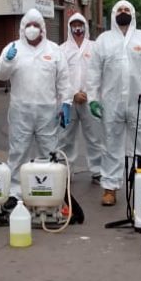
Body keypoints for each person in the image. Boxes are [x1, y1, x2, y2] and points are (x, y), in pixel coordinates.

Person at [86, 0, 141, 206]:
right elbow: (93, 73)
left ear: (133, 14)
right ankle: (110, 188)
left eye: (127, 10)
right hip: (111, 103)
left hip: (139, 102)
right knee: (111, 145)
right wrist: (93, 99)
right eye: (119, 10)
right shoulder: (103, 40)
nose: (123, 13)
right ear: (113, 14)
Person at [0, 9, 72, 200]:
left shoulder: (54, 50)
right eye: (28, 25)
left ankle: (51, 192)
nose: (32, 29)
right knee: (18, 152)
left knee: (49, 153)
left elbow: (63, 80)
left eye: (36, 25)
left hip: (48, 111)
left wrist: (66, 103)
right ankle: (15, 193)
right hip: (21, 110)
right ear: (22, 27)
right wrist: (7, 60)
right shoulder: (12, 48)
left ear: (42, 28)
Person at [58, 13, 105, 184]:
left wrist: (89, 93)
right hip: (68, 101)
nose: (77, 28)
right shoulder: (62, 49)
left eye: (80, 24)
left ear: (85, 26)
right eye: (74, 25)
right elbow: (61, 76)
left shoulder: (94, 48)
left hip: (90, 99)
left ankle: (97, 171)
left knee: (94, 136)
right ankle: (64, 170)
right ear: (70, 27)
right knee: (65, 137)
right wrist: (73, 93)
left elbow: (99, 73)